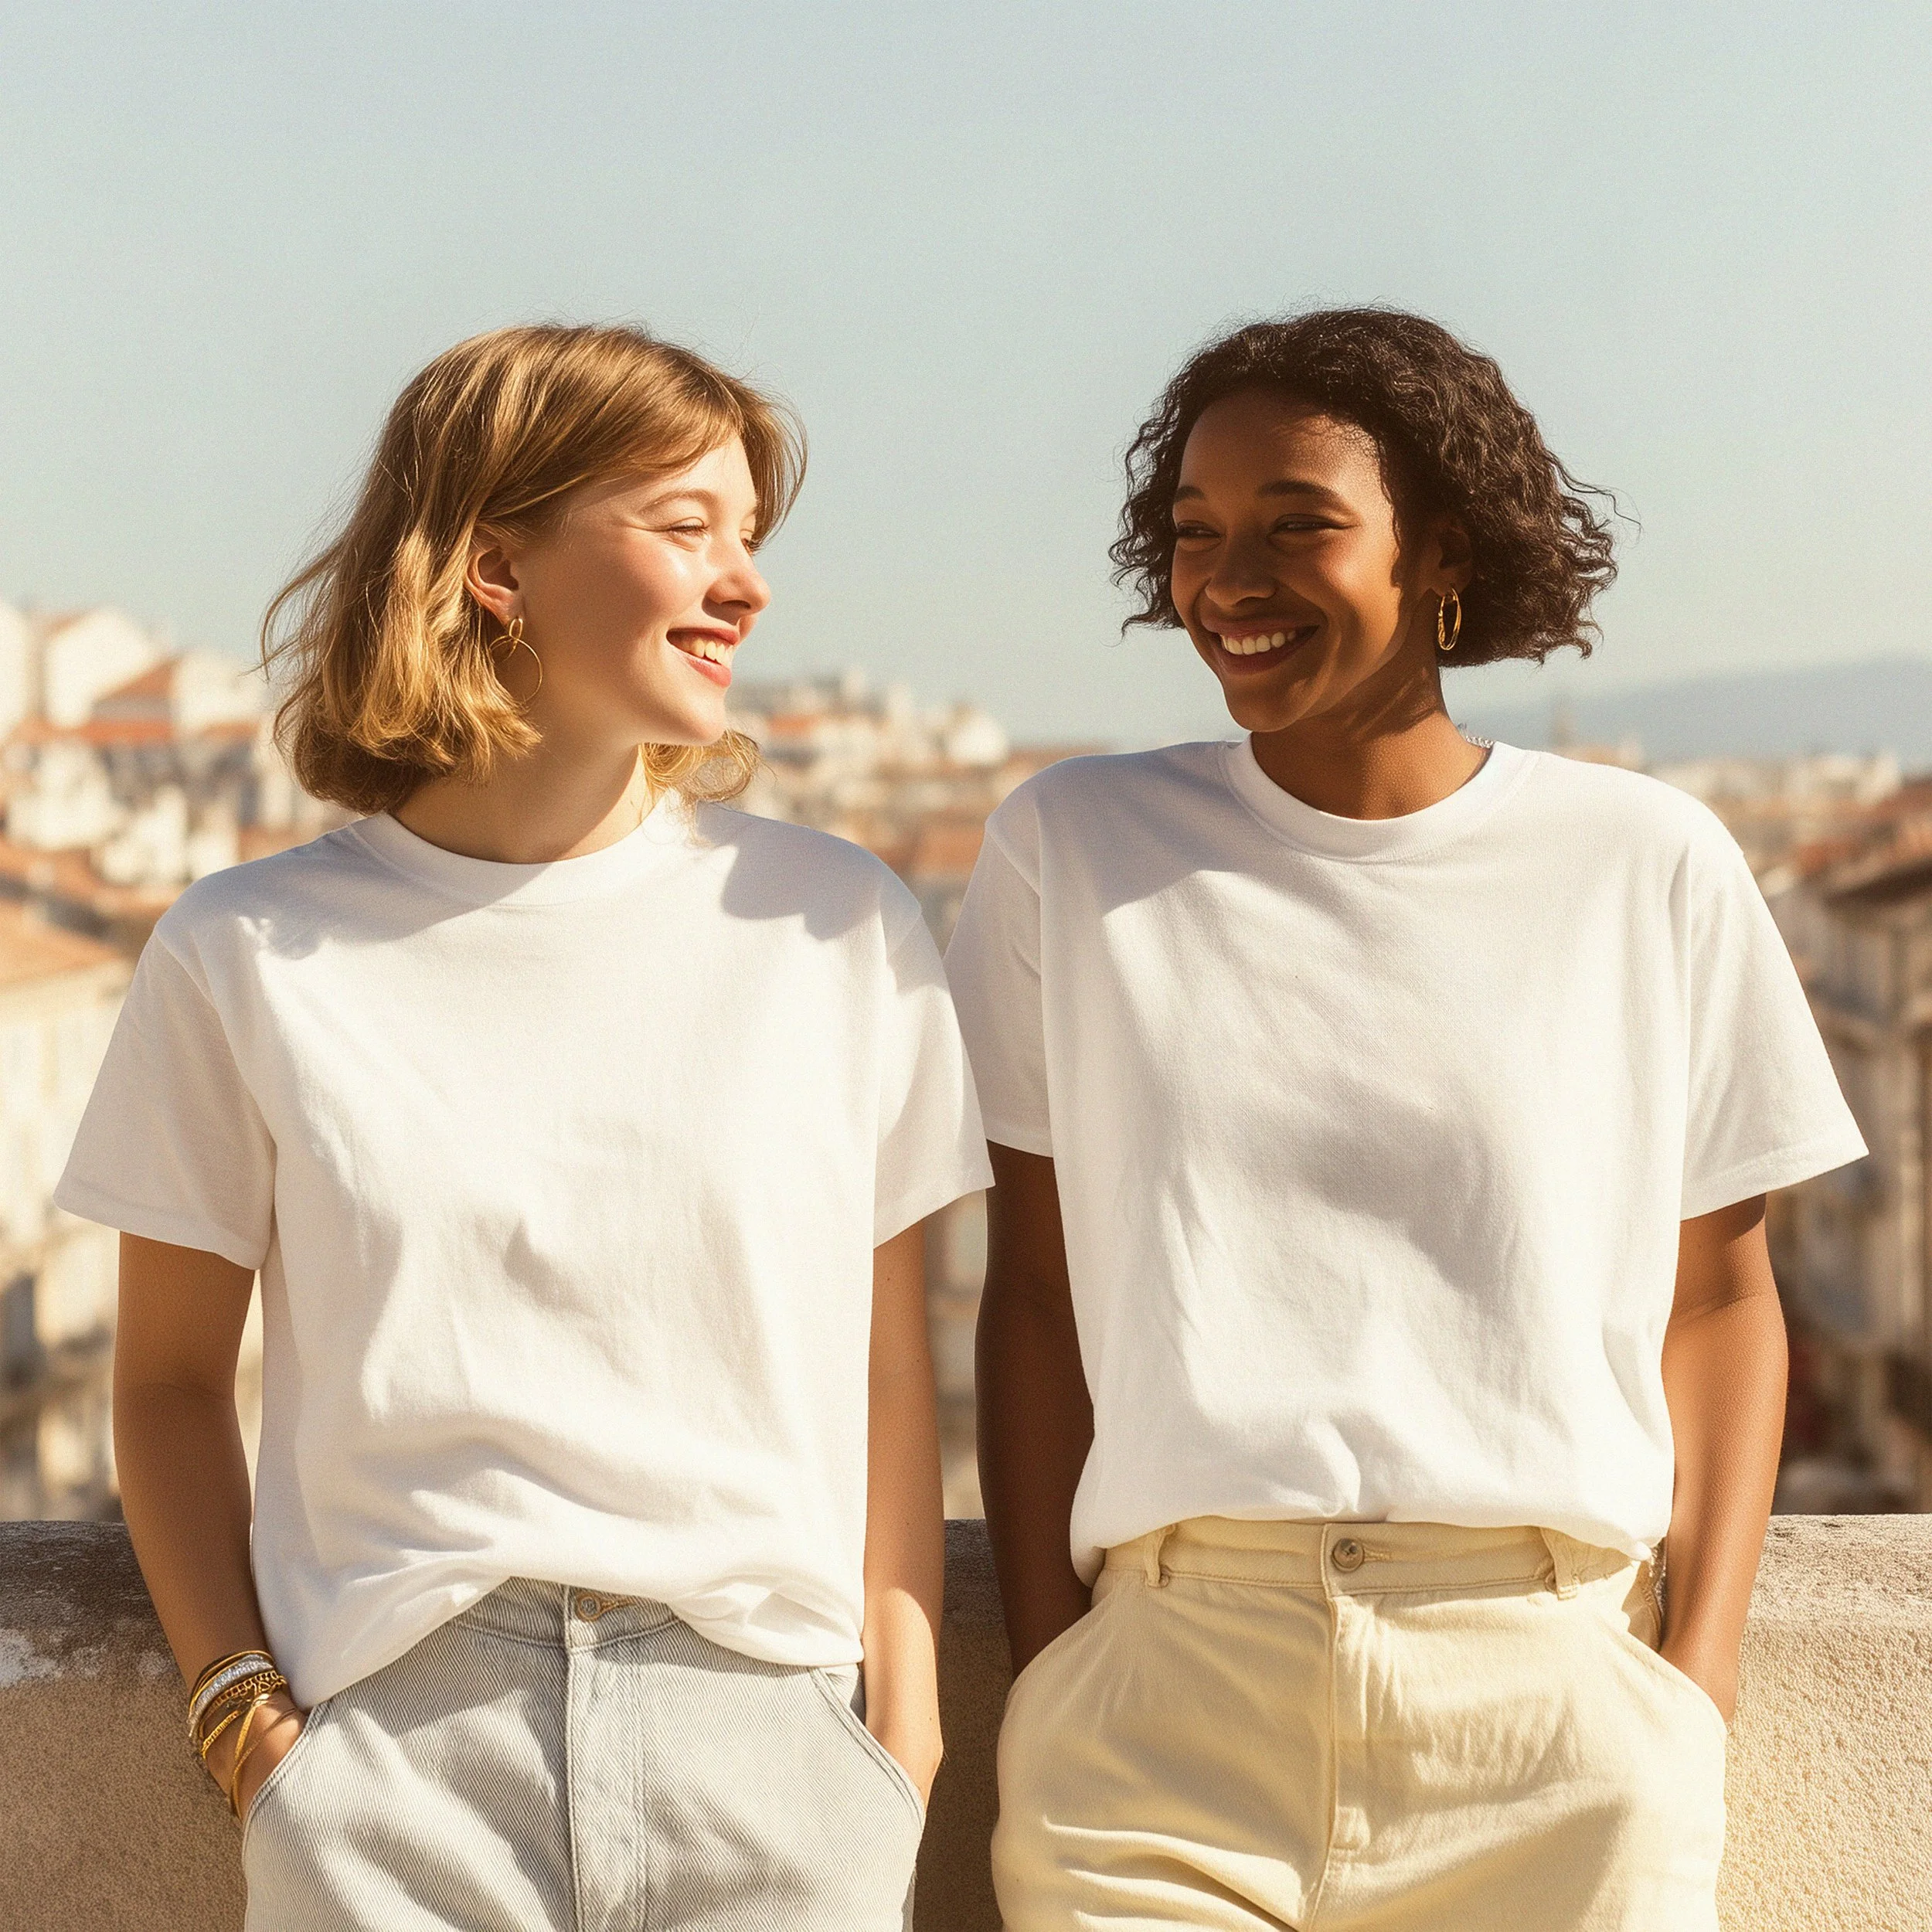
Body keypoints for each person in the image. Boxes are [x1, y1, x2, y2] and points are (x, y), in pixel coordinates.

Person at [58, 323, 989, 1931]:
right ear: (495, 562)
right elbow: (159, 1381)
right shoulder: (247, 949)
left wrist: (891, 1749)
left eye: (749, 535)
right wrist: (250, 1726)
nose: (745, 581)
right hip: (395, 1777)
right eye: (684, 524)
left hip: (774, 1762)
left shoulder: (831, 924)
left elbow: (889, 1368)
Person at [945, 308, 1864, 1931]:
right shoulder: (1067, 845)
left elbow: (1719, 1301)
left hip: (1550, 1721)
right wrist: (1052, 1663)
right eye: (1194, 533)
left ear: (1442, 547)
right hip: (1160, 1725)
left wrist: (1685, 1691)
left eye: (1295, 522)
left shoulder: (1642, 859)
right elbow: (1033, 1292)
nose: (1228, 578)